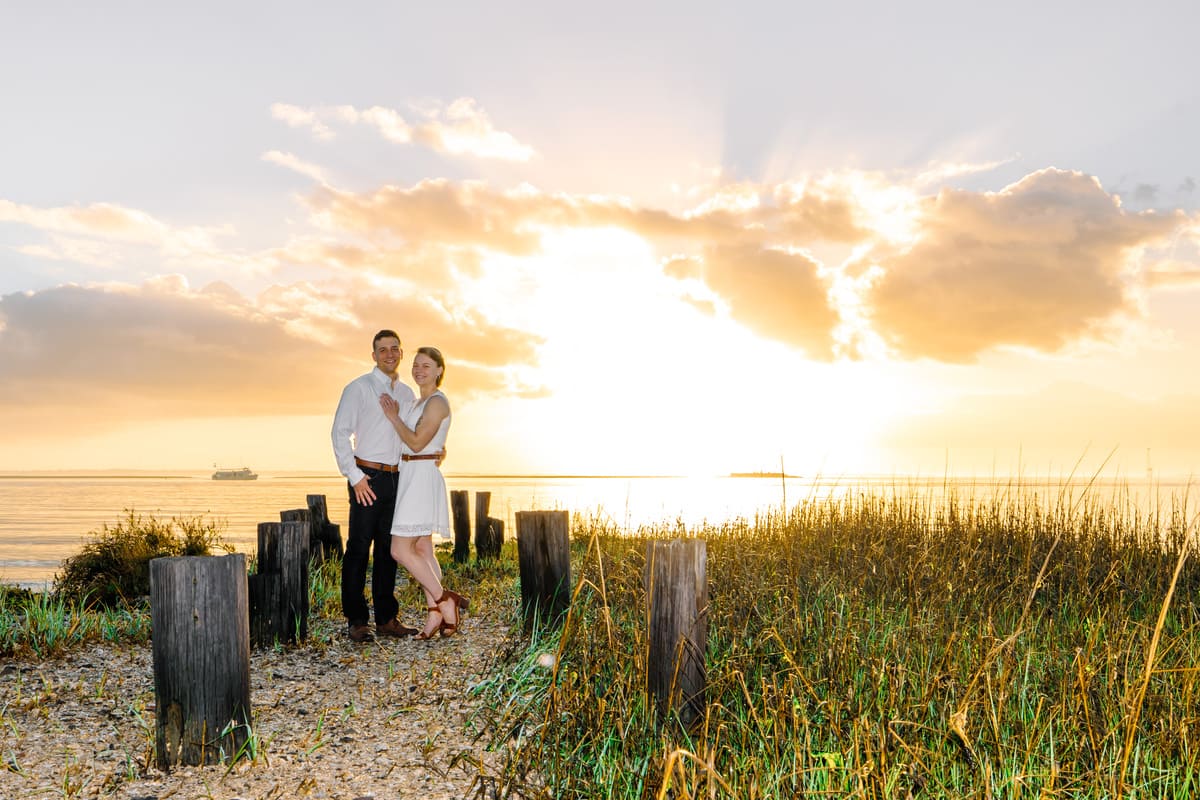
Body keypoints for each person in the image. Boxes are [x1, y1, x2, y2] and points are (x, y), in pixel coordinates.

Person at [331, 329, 421, 642]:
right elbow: (339, 433)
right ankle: (356, 620)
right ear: (374, 355)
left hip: (397, 477)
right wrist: (355, 478)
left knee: (388, 551)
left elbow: (411, 436)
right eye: (382, 350)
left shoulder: (408, 393)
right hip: (366, 477)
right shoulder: (358, 388)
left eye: (394, 348)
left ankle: (386, 618)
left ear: (400, 351)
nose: (389, 354)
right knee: (358, 549)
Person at [380, 346, 468, 639]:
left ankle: (445, 601)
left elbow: (417, 443)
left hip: (420, 477)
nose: (418, 370)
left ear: (440, 370)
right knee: (421, 549)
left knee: (398, 549)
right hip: (411, 474)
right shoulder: (420, 402)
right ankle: (434, 616)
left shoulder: (438, 403)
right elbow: (423, 444)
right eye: (416, 365)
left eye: (426, 366)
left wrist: (393, 418)